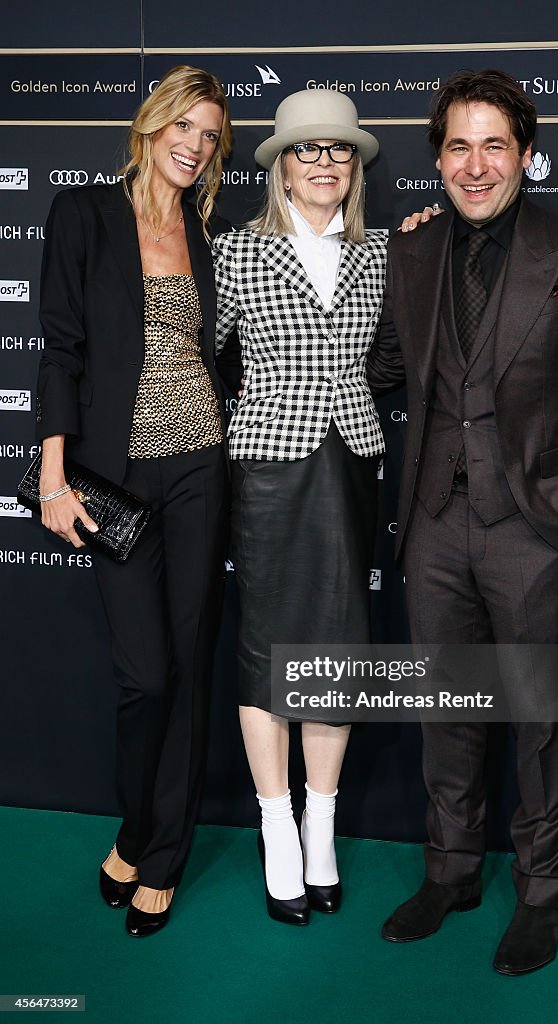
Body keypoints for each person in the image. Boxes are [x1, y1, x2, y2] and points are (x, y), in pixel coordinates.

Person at [367, 69, 558, 974]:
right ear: (436, 158)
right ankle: (449, 870)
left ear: (526, 156)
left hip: (537, 527)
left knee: (539, 718)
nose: (475, 164)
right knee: (447, 710)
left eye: (494, 145)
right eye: (457, 145)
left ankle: (540, 890)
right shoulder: (410, 252)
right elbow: (384, 371)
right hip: (435, 521)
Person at [36, 65, 232, 938]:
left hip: (199, 463)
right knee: (143, 675)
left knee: (189, 668)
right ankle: (132, 825)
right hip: (111, 478)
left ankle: (161, 857)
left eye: (210, 136)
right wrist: (52, 475)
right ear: (150, 126)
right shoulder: (82, 213)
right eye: (183, 127)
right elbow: (59, 353)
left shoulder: (204, 229)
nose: (194, 146)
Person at [212, 90, 386, 926]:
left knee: (336, 645)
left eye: (338, 152)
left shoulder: (385, 254)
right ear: (280, 165)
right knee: (266, 645)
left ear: (354, 168)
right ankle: (274, 825)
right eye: (307, 151)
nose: (323, 163)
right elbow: (192, 358)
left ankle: (322, 823)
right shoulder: (236, 252)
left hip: (351, 458)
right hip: (267, 466)